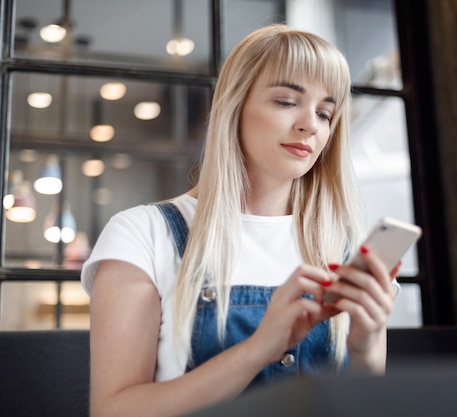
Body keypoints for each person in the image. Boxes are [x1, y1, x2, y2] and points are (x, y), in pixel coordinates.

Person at [81, 23, 399, 417]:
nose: (310, 125)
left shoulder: (343, 248)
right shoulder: (144, 234)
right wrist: (256, 350)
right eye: (286, 101)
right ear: (235, 105)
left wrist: (367, 346)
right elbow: (112, 412)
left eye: (325, 112)